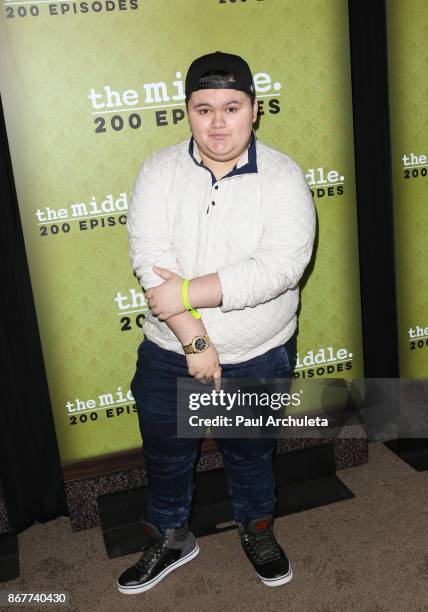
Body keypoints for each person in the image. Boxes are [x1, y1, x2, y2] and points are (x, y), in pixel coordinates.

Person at [117, 51, 316, 594]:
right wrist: (195, 338)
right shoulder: (159, 170)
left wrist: (182, 290)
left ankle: (257, 530)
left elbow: (275, 270)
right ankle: (172, 538)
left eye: (232, 106)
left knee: (250, 453)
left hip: (256, 351)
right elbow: (150, 260)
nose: (219, 122)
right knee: (165, 455)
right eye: (204, 109)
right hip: (169, 349)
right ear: (187, 112)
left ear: (255, 109)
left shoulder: (282, 175)